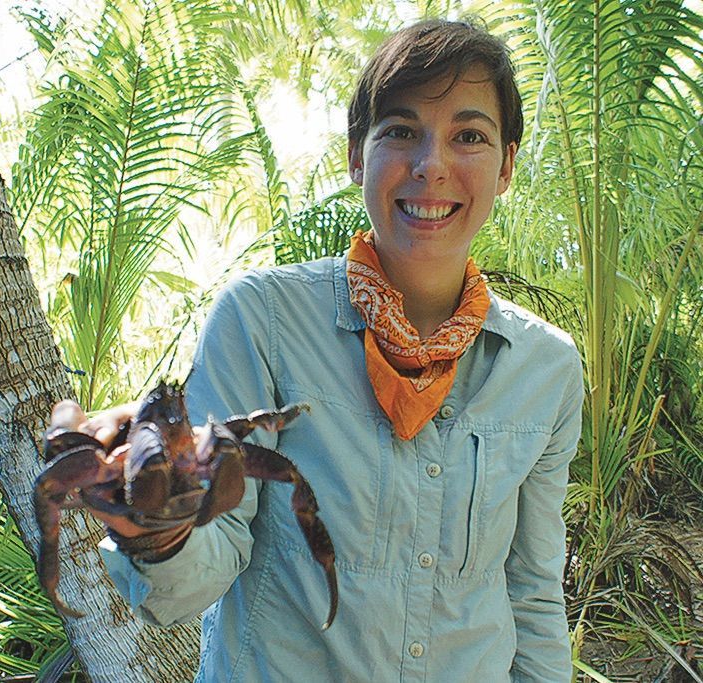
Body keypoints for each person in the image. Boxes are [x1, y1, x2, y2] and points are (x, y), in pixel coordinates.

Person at [71, 18, 583, 682]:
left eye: (469, 136)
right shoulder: (262, 321)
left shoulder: (545, 368)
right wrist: (159, 527)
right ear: (355, 153)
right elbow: (196, 575)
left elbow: (532, 593)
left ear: (507, 164)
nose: (432, 164)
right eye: (400, 131)